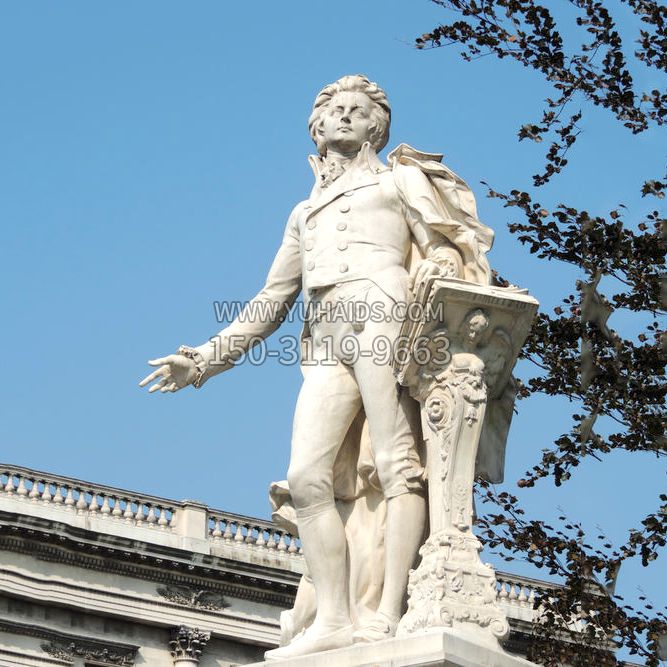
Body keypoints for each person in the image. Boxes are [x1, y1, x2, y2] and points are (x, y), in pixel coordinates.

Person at [140, 74, 494, 660]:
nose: (345, 116)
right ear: (318, 127)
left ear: (377, 126)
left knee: (396, 463)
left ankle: (386, 612)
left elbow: (444, 247)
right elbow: (271, 300)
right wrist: (203, 358)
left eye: (358, 109)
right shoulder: (304, 213)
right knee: (307, 478)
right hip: (325, 336)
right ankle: (332, 617)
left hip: (383, 314)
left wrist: (439, 264)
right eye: (334, 110)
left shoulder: (399, 181)